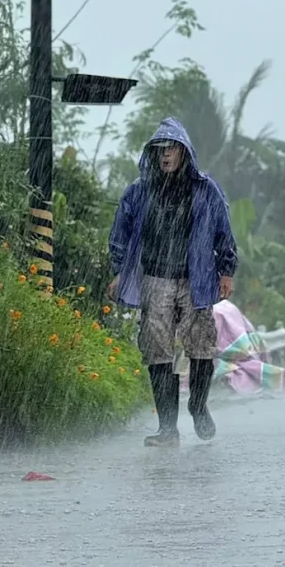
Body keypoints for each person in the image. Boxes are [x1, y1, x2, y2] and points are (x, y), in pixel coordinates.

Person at [107, 117, 238, 447]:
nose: (166, 154)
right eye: (160, 149)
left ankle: (198, 406)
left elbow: (223, 230)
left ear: (184, 152)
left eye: (172, 148)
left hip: (196, 279)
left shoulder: (204, 189)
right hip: (155, 278)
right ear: (152, 153)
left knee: (201, 346)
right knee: (157, 351)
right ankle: (168, 429)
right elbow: (120, 233)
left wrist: (226, 270)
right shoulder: (139, 191)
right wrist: (119, 271)